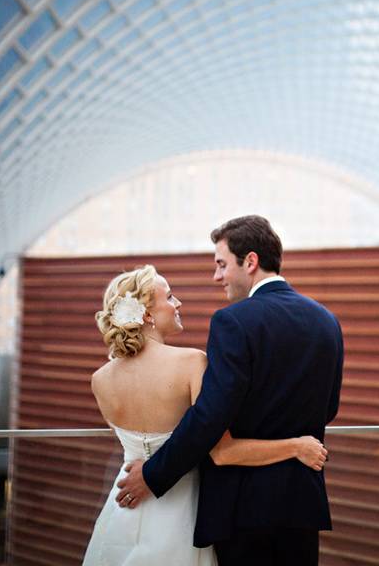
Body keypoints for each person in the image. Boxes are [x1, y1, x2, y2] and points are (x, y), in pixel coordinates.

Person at [116, 215, 345, 565]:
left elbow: (210, 415)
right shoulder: (326, 321)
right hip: (301, 503)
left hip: (243, 508)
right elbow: (328, 409)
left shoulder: (233, 321)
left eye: (221, 264)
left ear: (250, 261)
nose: (216, 276)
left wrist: (152, 474)